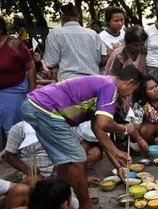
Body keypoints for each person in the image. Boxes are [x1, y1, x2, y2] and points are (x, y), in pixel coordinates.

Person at [21, 66, 148, 209]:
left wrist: (115, 151)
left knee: (65, 161)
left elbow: (97, 127)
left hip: (36, 106)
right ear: (129, 83)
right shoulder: (110, 86)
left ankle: (58, 201)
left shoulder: (104, 84)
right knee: (77, 158)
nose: (129, 96)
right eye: (133, 91)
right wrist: (125, 128)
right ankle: (85, 205)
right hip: (44, 109)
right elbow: (104, 123)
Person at [4, 121, 103, 186]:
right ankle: (74, 182)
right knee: (34, 182)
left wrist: (76, 158)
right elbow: (9, 156)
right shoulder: (19, 128)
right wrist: (25, 169)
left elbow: (83, 138)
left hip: (62, 168)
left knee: (95, 152)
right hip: (37, 172)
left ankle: (71, 179)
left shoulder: (58, 122)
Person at [44, 3, 107, 81]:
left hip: (68, 82)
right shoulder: (93, 34)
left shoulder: (55, 34)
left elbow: (50, 63)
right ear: (78, 17)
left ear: (61, 16)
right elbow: (99, 60)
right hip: (93, 81)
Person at [0, 16, 36, 137]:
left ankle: (11, 154)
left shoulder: (14, 44)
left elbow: (30, 67)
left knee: (13, 132)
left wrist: (33, 91)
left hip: (14, 92)